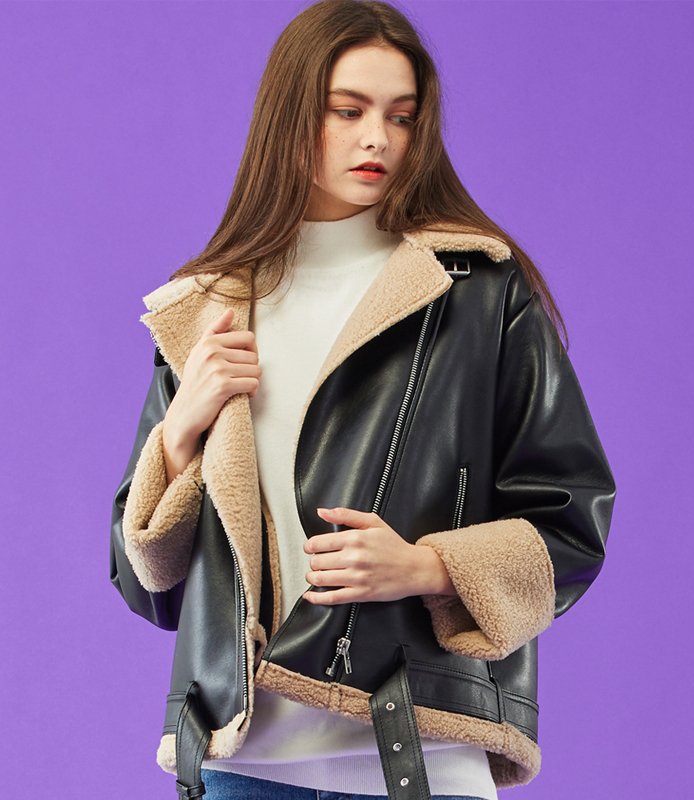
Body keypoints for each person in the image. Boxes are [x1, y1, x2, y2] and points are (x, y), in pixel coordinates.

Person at [110, 1, 616, 799]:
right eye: (347, 111)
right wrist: (179, 433)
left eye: (400, 116)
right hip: (241, 760)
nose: (377, 138)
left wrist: (427, 565)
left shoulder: (477, 291)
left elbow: (572, 521)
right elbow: (149, 586)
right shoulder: (209, 306)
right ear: (290, 115)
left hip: (419, 746)